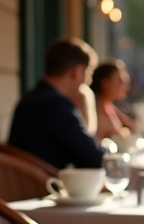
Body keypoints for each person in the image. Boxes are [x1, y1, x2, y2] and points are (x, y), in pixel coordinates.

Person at [8, 38, 104, 169]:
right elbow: (95, 158)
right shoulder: (55, 105)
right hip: (45, 187)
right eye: (88, 74)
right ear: (77, 71)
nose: (88, 82)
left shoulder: (33, 98)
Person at [90, 59, 138, 140]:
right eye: (120, 81)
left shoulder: (108, 105)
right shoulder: (97, 110)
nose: (125, 86)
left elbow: (132, 126)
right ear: (104, 83)